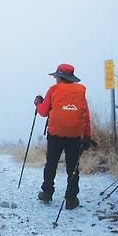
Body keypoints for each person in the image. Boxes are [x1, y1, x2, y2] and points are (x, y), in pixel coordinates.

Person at [34, 64, 93, 210]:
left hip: (55, 134)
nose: (55, 78)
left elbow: (43, 112)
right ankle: (71, 199)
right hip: (75, 135)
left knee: (51, 163)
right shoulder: (80, 91)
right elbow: (86, 116)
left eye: (56, 76)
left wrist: (37, 103)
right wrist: (87, 136)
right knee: (73, 166)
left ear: (60, 77)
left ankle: (47, 192)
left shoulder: (53, 90)